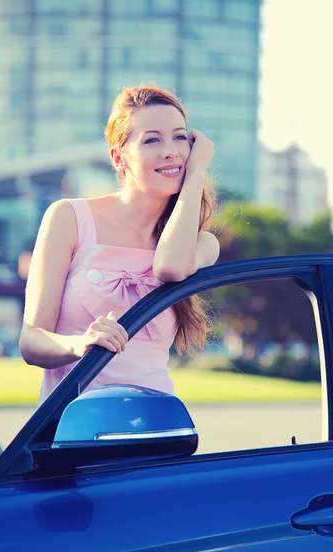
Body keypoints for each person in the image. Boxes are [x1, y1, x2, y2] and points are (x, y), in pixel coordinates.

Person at [19, 84, 220, 406]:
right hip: (74, 425)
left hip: (156, 422)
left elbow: (168, 268)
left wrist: (196, 172)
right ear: (118, 157)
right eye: (152, 139)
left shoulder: (202, 244)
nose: (171, 151)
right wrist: (78, 345)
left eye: (180, 137)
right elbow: (31, 341)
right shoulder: (69, 217)